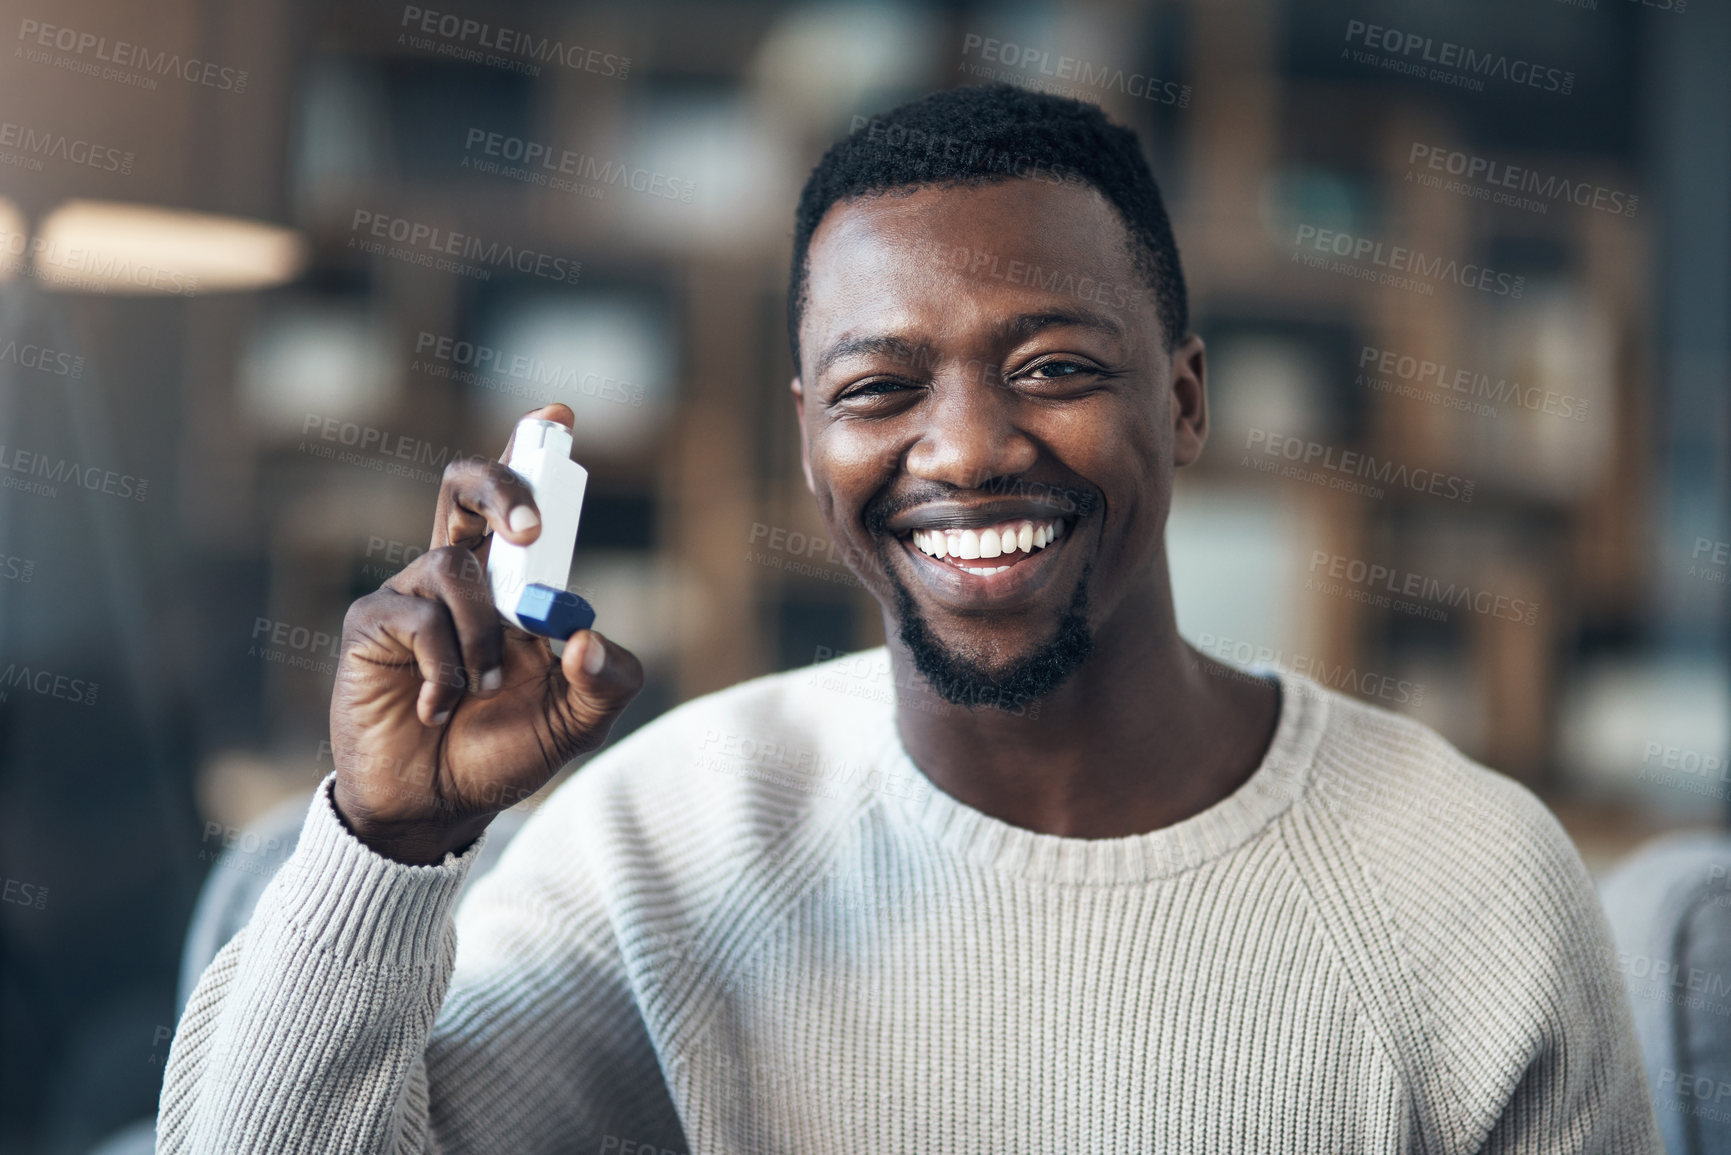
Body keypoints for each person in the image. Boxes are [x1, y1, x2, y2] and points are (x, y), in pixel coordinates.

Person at [158, 83, 1659, 1152]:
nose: (965, 451)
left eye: (1056, 365)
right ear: (813, 442)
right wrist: (387, 846)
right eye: (882, 390)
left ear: (1184, 400)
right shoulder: (674, 839)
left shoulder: (1473, 888)